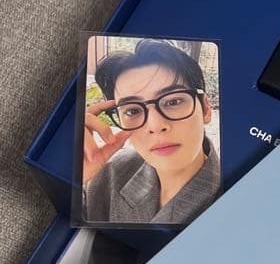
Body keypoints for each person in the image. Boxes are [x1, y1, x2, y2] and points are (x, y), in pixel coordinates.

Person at [82, 38, 220, 226]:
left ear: (205, 109)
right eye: (133, 110)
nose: (155, 125)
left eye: (173, 102)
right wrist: (72, 173)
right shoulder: (110, 173)